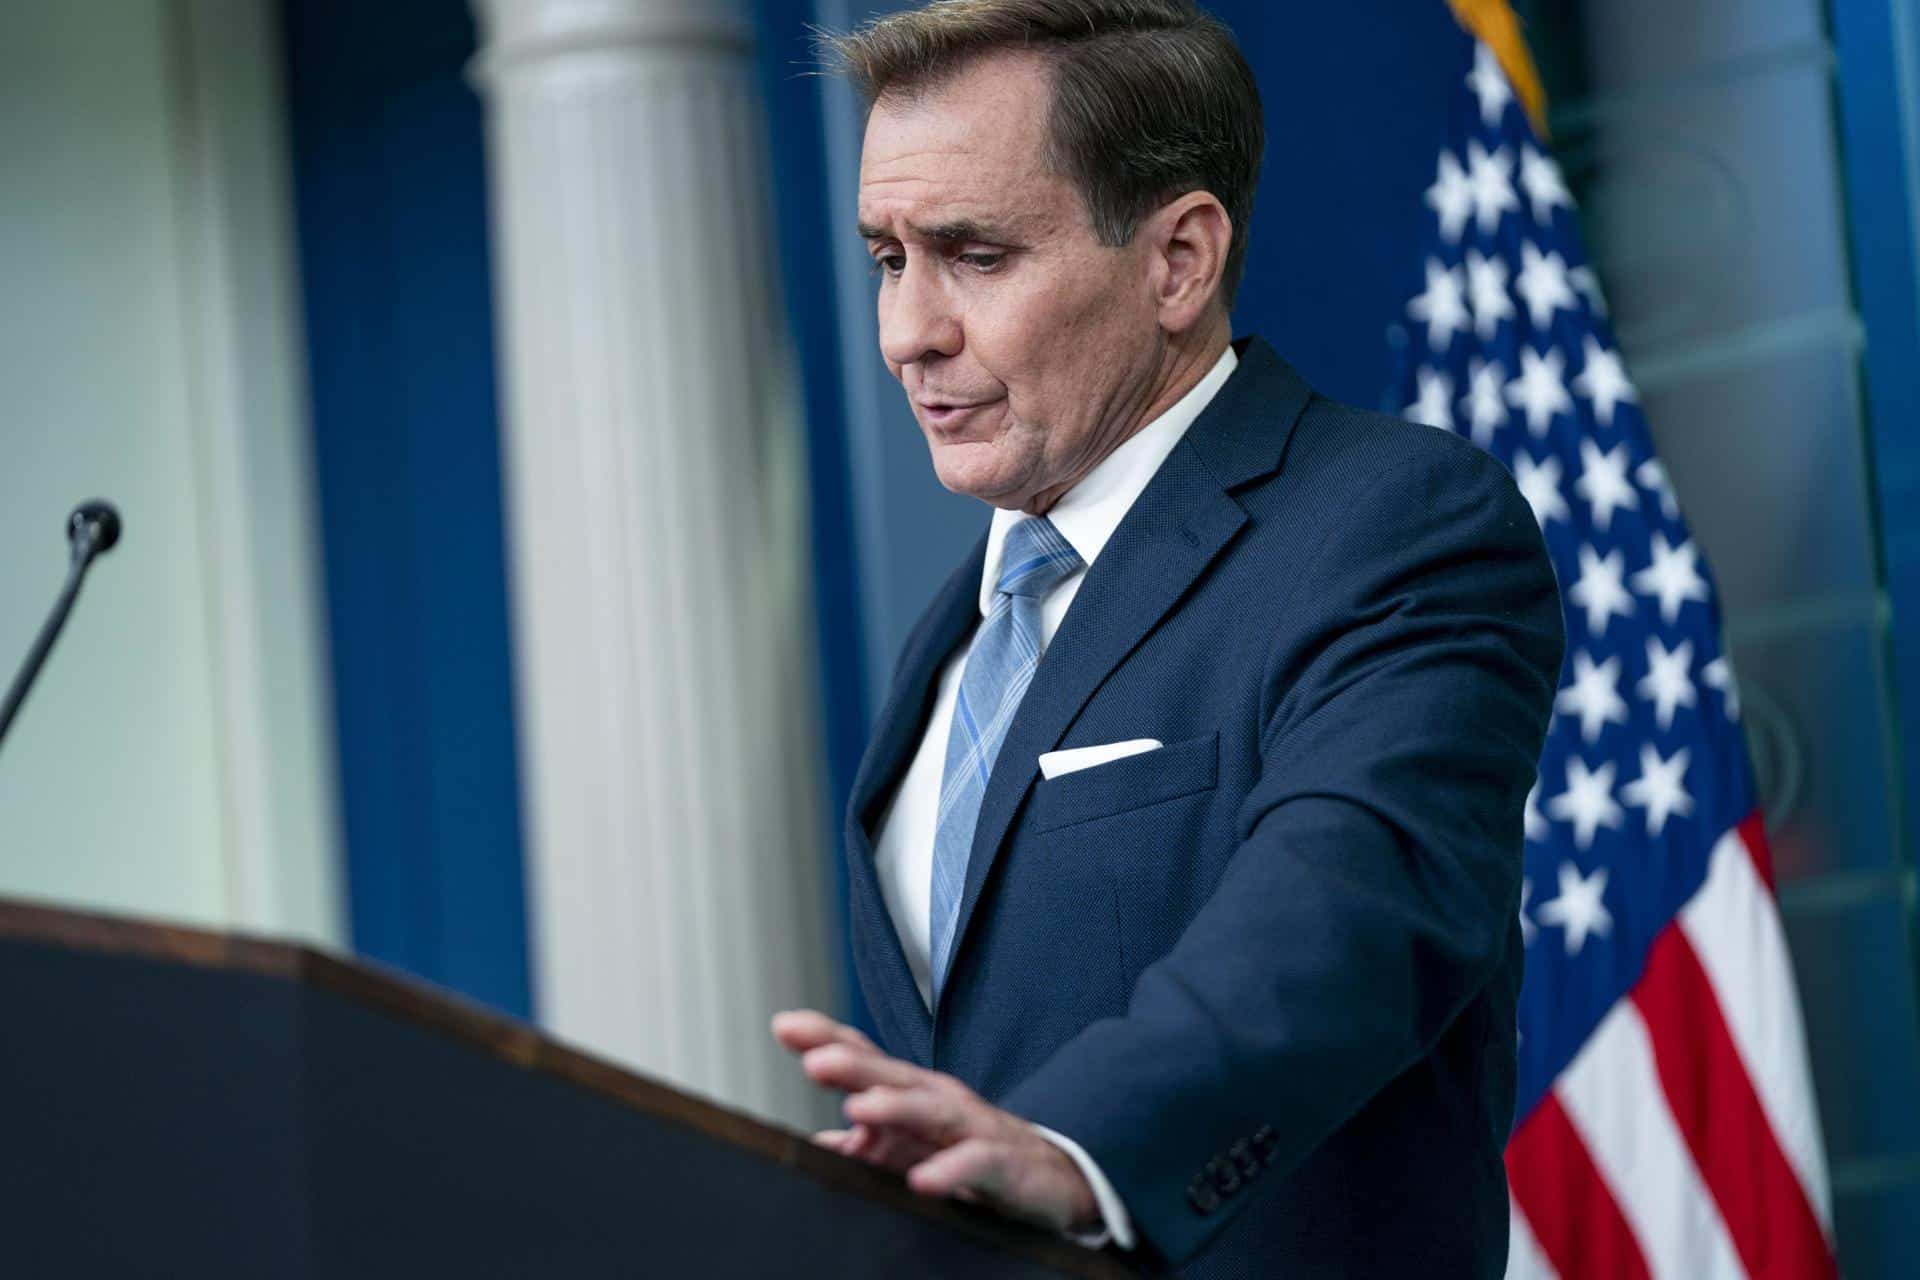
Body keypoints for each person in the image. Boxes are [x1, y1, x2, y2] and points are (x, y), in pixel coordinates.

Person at [770, 1, 1564, 1273]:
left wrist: (1077, 1147)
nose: (906, 331)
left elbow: (1350, 907)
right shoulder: (953, 638)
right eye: (886, 258)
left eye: (973, 256)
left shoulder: (1391, 525)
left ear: (1179, 259)